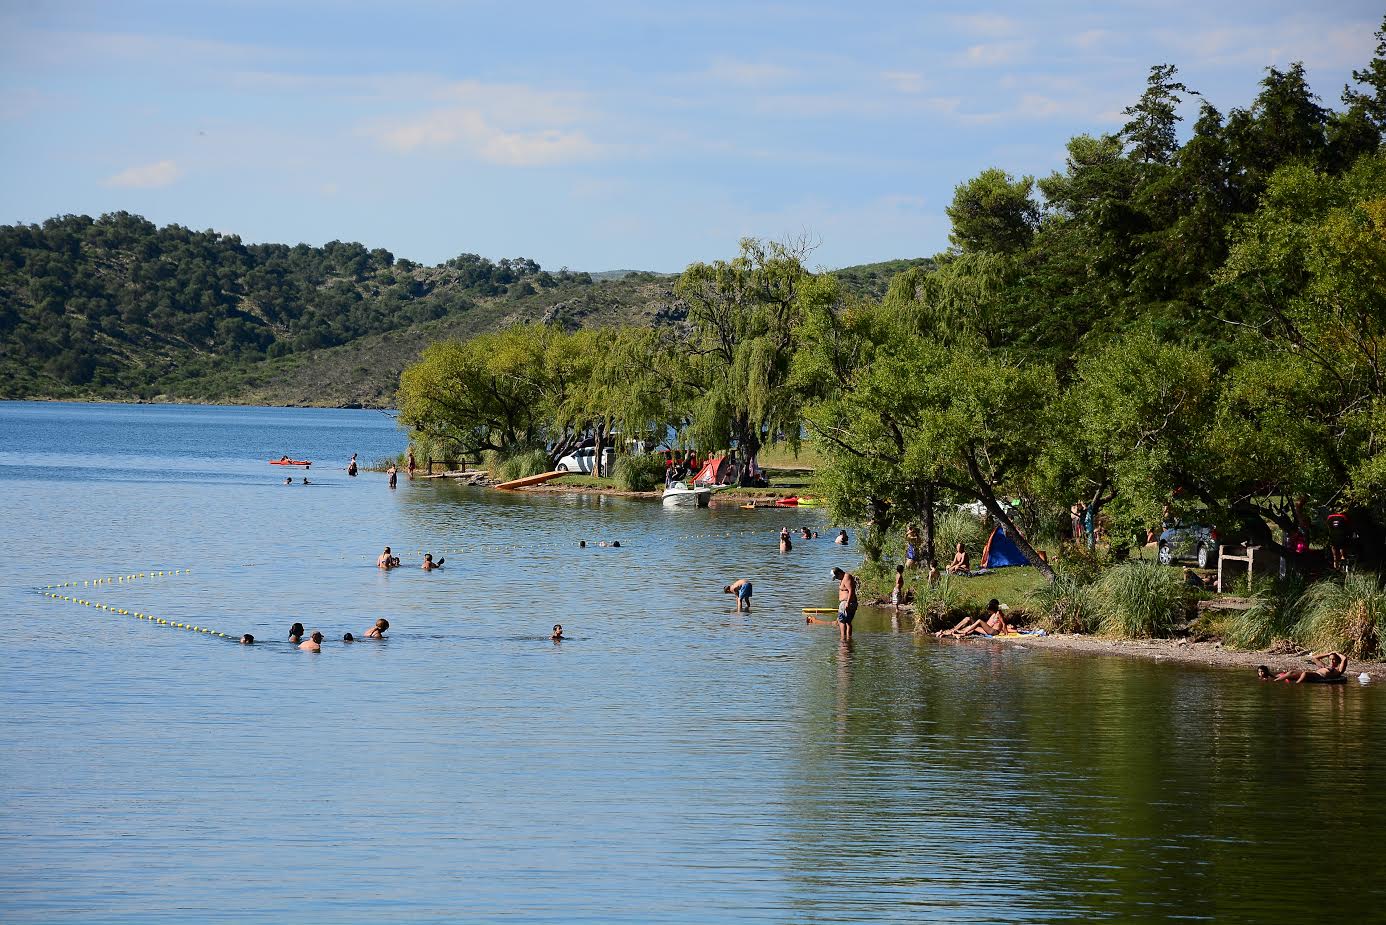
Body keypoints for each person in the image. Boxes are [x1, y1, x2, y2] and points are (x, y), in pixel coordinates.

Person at [938, 599, 1010, 638]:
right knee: (968, 620)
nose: (988, 612)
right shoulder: (993, 614)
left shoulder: (999, 613)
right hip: (988, 630)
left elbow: (1004, 624)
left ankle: (963, 632)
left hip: (993, 632)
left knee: (979, 621)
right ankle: (950, 632)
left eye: (989, 610)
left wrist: (1006, 634)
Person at [1277, 651, 1349, 683]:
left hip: (1320, 677)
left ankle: (1297, 685)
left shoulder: (1338, 670)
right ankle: (1275, 681)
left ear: (1338, 661)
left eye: (1334, 660)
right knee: (1291, 672)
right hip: (1314, 674)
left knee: (1305, 673)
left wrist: (1337, 653)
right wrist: (1328, 654)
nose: (1331, 661)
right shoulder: (1325, 666)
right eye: (1330, 659)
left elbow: (1344, 659)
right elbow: (1314, 658)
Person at [831, 566, 858, 641]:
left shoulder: (846, 577)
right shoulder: (843, 578)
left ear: (839, 573)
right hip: (847, 602)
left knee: (842, 621)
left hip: (847, 602)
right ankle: (848, 640)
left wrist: (847, 603)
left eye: (836, 577)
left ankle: (843, 639)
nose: (837, 579)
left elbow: (851, 590)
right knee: (847, 622)